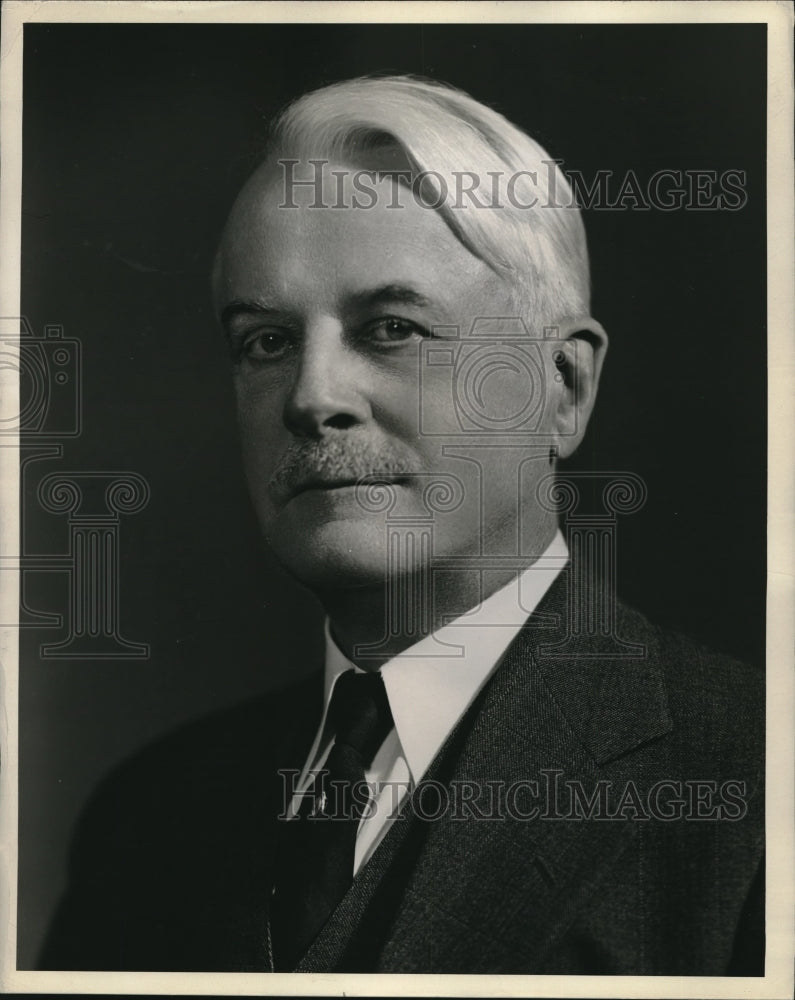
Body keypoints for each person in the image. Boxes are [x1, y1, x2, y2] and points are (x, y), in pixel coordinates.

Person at [39, 75, 764, 975]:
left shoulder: (755, 786)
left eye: (390, 328)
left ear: (562, 388)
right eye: (265, 341)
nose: (313, 398)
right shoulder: (148, 815)